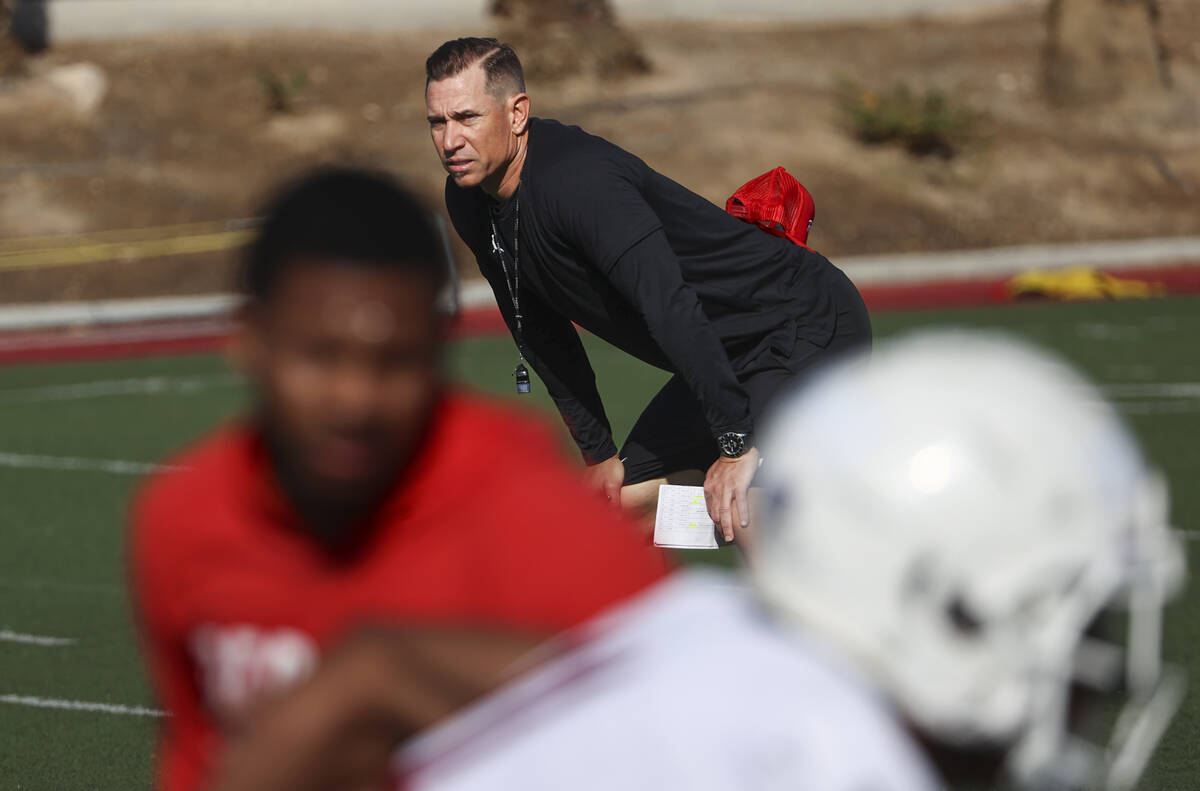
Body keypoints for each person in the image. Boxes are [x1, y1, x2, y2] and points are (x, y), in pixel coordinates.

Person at [388, 331, 1184, 791]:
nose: (1088, 667)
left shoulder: (711, 628)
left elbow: (375, 665)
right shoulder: (829, 761)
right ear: (938, 612)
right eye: (1069, 616)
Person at [127, 167, 667, 791]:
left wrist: (388, 678)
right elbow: (202, 759)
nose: (356, 400)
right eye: (320, 356)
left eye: (397, 361)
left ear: (440, 352)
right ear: (250, 339)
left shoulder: (533, 513)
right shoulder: (183, 518)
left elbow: (685, 730)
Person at [424, 37, 872, 541]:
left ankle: (859, 526)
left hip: (800, 325)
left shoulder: (580, 184)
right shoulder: (468, 199)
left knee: (738, 502)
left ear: (517, 112)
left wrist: (734, 444)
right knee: (613, 514)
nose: (450, 140)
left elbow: (670, 306)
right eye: (437, 123)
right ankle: (808, 506)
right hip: (719, 353)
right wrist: (600, 454)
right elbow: (543, 335)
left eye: (466, 117)